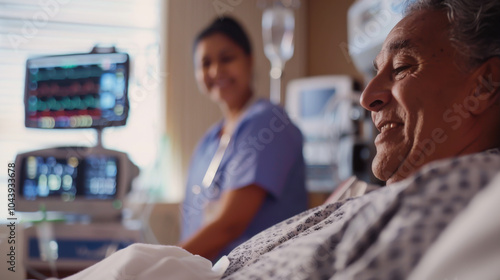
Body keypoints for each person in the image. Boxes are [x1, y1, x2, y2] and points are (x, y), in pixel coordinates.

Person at [59, 0, 500, 279]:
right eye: (204, 64)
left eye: (403, 67)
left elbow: (230, 224)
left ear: (485, 85)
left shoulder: (465, 194)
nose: (367, 97)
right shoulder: (369, 195)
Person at [178, 17, 308, 261]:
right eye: (205, 63)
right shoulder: (208, 142)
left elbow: (230, 224)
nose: (216, 71)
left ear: (249, 61)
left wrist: (163, 265)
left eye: (227, 58)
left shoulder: (268, 124)